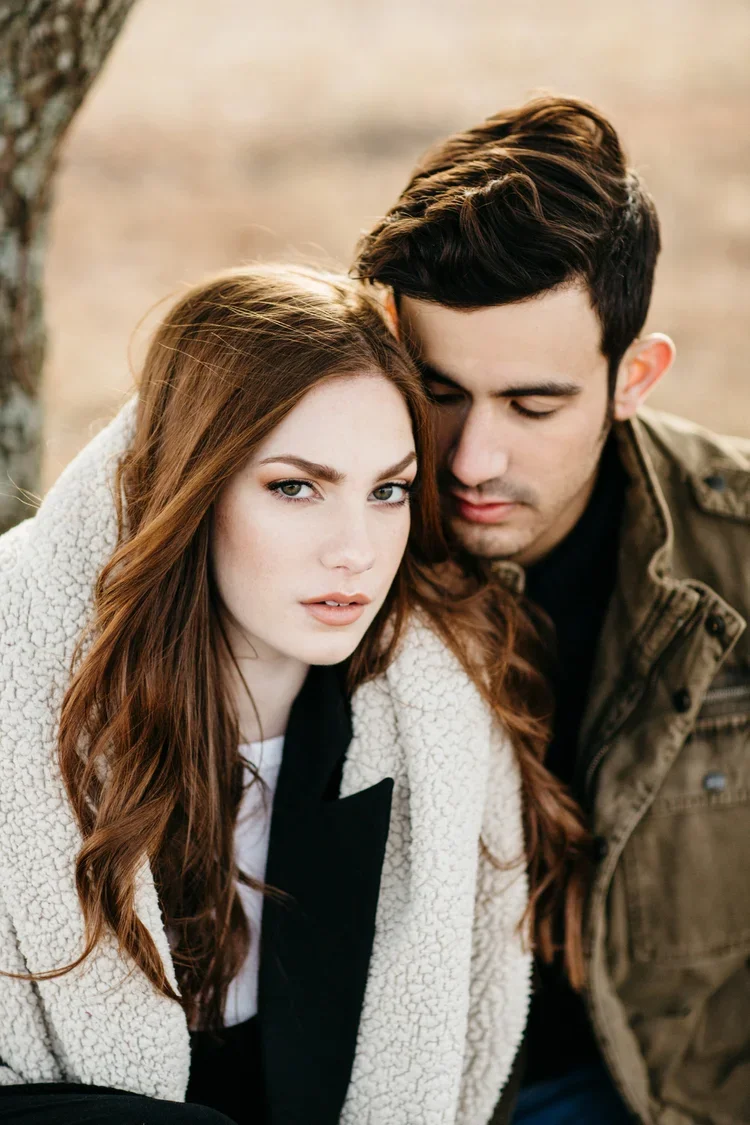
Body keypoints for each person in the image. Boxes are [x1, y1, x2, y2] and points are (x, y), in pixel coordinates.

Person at [0, 265, 587, 1125]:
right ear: (193, 489)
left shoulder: (431, 719)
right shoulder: (27, 692)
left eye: (387, 489)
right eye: (295, 487)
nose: (355, 549)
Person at [355, 95, 750, 1125]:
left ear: (637, 376)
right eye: (438, 391)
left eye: (535, 406)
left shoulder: (738, 554)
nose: (473, 461)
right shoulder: (317, 532)